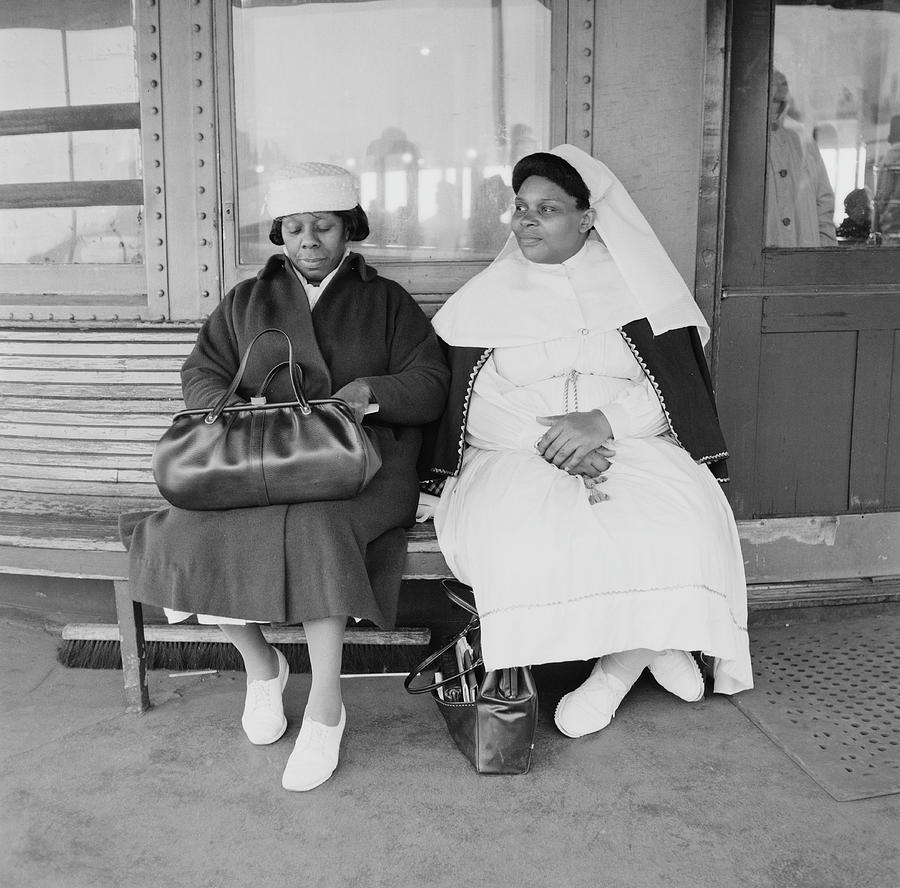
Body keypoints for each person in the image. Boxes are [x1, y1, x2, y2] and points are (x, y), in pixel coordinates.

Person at [122, 162, 449, 789]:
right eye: (295, 228)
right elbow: (202, 371)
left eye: (323, 227)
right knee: (187, 529)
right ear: (281, 233)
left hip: (360, 464)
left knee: (319, 529)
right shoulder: (249, 300)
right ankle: (261, 664)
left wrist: (369, 393)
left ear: (348, 229)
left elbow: (431, 382)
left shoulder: (386, 302)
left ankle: (327, 704)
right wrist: (230, 405)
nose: (309, 241)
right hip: (261, 461)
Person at [426, 145, 752, 740]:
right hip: (516, 452)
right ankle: (655, 645)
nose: (525, 221)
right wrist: (554, 440)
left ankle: (613, 674)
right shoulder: (486, 298)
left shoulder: (642, 291)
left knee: (679, 521)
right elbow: (478, 402)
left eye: (546, 209)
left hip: (629, 442)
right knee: (525, 536)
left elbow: (673, 391)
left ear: (588, 216)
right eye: (520, 208)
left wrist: (602, 424)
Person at [765, 69, 836, 247]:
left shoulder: (802, 140)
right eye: (773, 84)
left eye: (783, 84)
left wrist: (824, 256)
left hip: (804, 259)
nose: (778, 88)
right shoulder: (743, 141)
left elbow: (824, 204)